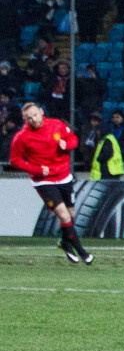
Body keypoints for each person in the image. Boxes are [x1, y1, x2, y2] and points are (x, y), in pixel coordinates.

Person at [8, 102, 91, 264]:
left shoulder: (57, 125)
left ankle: (65, 243)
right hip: (43, 181)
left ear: (41, 111)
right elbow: (14, 160)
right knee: (63, 214)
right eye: (28, 118)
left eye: (35, 115)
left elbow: (73, 139)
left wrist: (66, 145)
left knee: (71, 214)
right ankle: (83, 253)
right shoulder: (21, 137)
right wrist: (36, 169)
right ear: (24, 120)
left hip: (64, 176)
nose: (33, 120)